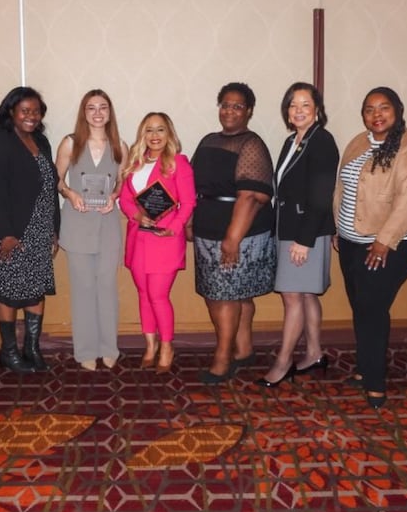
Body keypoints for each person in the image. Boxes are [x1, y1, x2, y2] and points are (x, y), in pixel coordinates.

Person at [333, 87, 407, 408]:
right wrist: (338, 228)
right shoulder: (359, 142)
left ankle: (376, 383)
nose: (376, 115)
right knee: (361, 308)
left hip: (386, 246)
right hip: (350, 242)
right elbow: (343, 187)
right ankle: (365, 368)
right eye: (369, 109)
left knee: (373, 310)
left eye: (384, 108)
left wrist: (384, 241)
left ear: (398, 110)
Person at [191, 82, 276, 384]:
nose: (229, 110)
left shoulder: (251, 144)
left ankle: (222, 359)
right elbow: (193, 187)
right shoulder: (208, 140)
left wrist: (232, 238)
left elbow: (251, 196)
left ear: (249, 111)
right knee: (232, 295)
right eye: (225, 104)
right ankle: (243, 349)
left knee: (225, 296)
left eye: (237, 105)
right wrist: (190, 219)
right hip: (207, 228)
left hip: (240, 233)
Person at [256, 82, 339, 387]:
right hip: (291, 228)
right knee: (304, 294)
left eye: (306, 104)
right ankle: (315, 353)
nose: (299, 110)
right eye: (293, 105)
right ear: (287, 112)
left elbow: (320, 197)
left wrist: (304, 241)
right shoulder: (294, 141)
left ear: (317, 110)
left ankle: (284, 361)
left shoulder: (322, 141)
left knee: (292, 296)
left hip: (306, 232)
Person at [0, 87, 60, 373]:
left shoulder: (41, 140)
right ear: (10, 111)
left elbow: (50, 188)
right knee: (9, 291)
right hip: (10, 230)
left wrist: (53, 229)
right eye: (25, 110)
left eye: (36, 111)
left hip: (39, 228)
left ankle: (32, 349)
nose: (31, 116)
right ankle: (9, 352)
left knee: (35, 289)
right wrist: (7, 233)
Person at [56, 89, 128, 371]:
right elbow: (57, 180)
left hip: (108, 223)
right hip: (78, 221)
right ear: (83, 112)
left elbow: (122, 181)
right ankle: (85, 349)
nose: (97, 113)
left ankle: (109, 347)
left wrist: (114, 196)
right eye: (91, 108)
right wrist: (70, 194)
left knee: (107, 286)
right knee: (83, 288)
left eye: (103, 107)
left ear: (110, 112)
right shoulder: (70, 143)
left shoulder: (119, 144)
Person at [119, 112, 196, 373]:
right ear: (143, 134)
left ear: (169, 133)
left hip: (164, 241)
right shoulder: (136, 162)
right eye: (149, 130)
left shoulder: (178, 163)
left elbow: (188, 203)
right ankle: (150, 345)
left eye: (160, 130)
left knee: (158, 296)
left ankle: (167, 346)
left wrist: (173, 228)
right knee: (143, 295)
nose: (155, 135)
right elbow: (126, 198)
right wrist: (136, 214)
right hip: (138, 238)